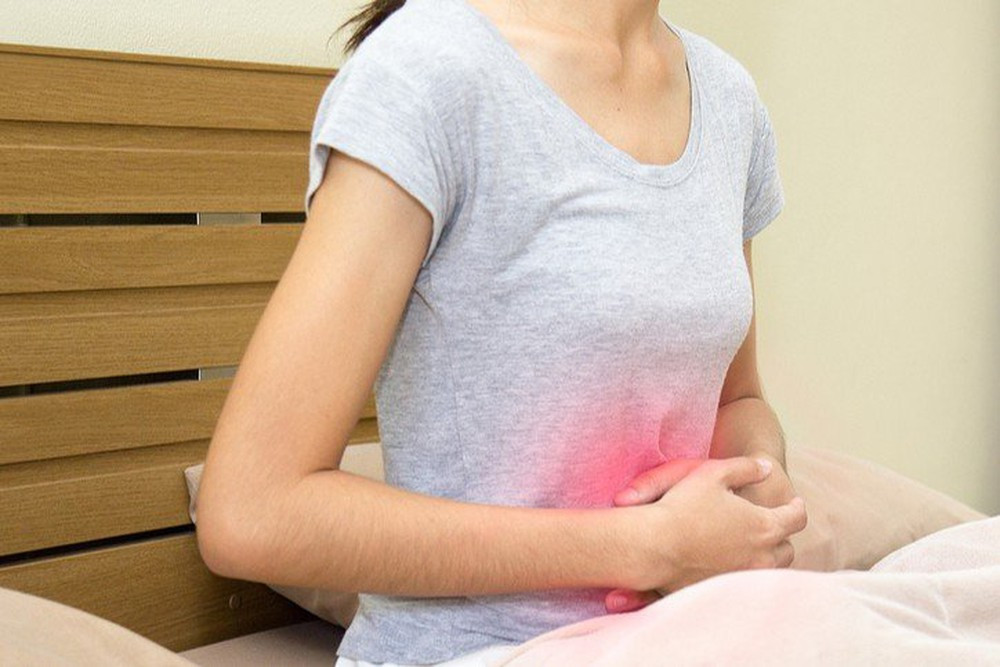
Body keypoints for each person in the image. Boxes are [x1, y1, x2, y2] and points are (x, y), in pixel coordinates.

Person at [194, 0, 809, 665]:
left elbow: (737, 400)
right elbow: (252, 511)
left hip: (683, 639)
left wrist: (760, 480)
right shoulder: (429, 71)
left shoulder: (728, 98)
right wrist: (645, 546)